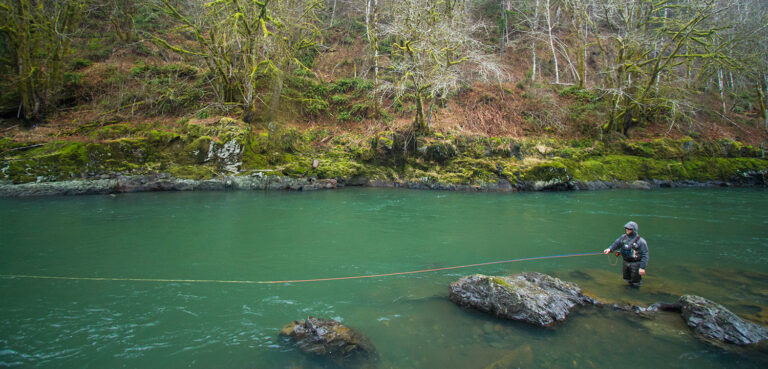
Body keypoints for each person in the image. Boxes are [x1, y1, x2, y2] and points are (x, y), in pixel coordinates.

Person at [603, 221, 648, 287]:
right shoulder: (623, 237)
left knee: (635, 282)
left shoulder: (641, 241)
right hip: (625, 262)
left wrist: (642, 267)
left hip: (635, 263)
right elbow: (616, 244)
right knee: (626, 278)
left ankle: (634, 290)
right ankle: (627, 289)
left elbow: (645, 255)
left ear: (634, 230)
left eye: (629, 229)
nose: (627, 230)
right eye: (626, 228)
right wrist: (610, 249)